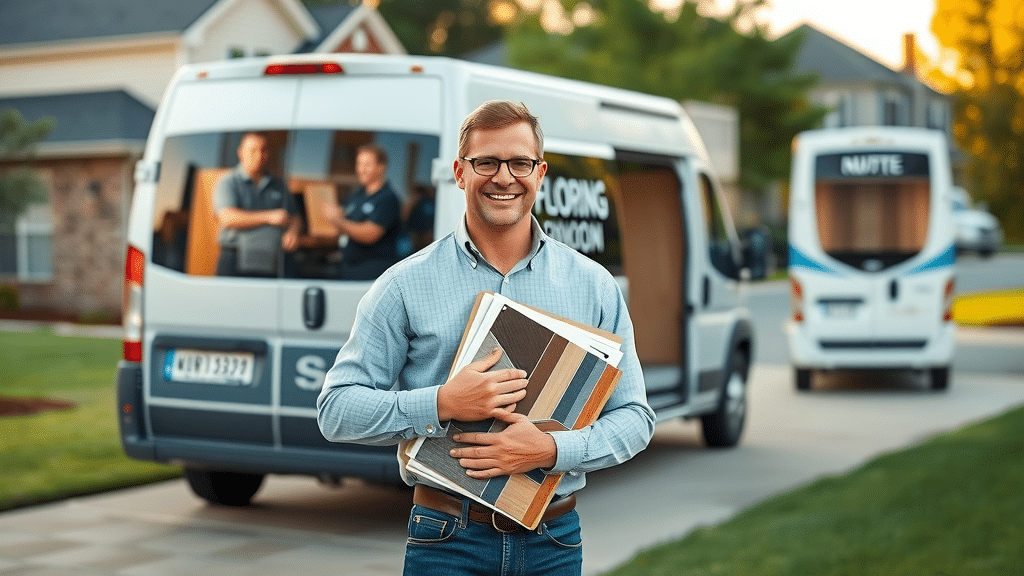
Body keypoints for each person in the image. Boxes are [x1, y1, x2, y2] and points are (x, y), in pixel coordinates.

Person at [317, 100, 654, 576]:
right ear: (460, 172)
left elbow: (636, 418)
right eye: (486, 162)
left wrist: (552, 450)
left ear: (540, 173)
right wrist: (441, 403)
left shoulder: (593, 285)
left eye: (519, 163)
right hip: (446, 539)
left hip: (553, 541)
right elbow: (335, 410)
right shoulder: (403, 285)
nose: (504, 177)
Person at [213, 131, 300, 277]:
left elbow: (295, 216)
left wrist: (293, 231)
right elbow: (227, 218)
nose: (259, 155)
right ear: (240, 152)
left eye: (263, 150)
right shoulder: (228, 181)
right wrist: (269, 217)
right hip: (236, 258)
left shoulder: (278, 185)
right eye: (253, 150)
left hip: (274, 260)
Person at [321, 144, 402, 279]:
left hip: (372, 272)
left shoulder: (388, 198)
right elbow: (345, 216)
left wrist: (338, 221)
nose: (361, 170)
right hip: (348, 266)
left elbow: (371, 233)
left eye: (367, 165)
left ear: (381, 167)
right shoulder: (357, 194)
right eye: (359, 164)